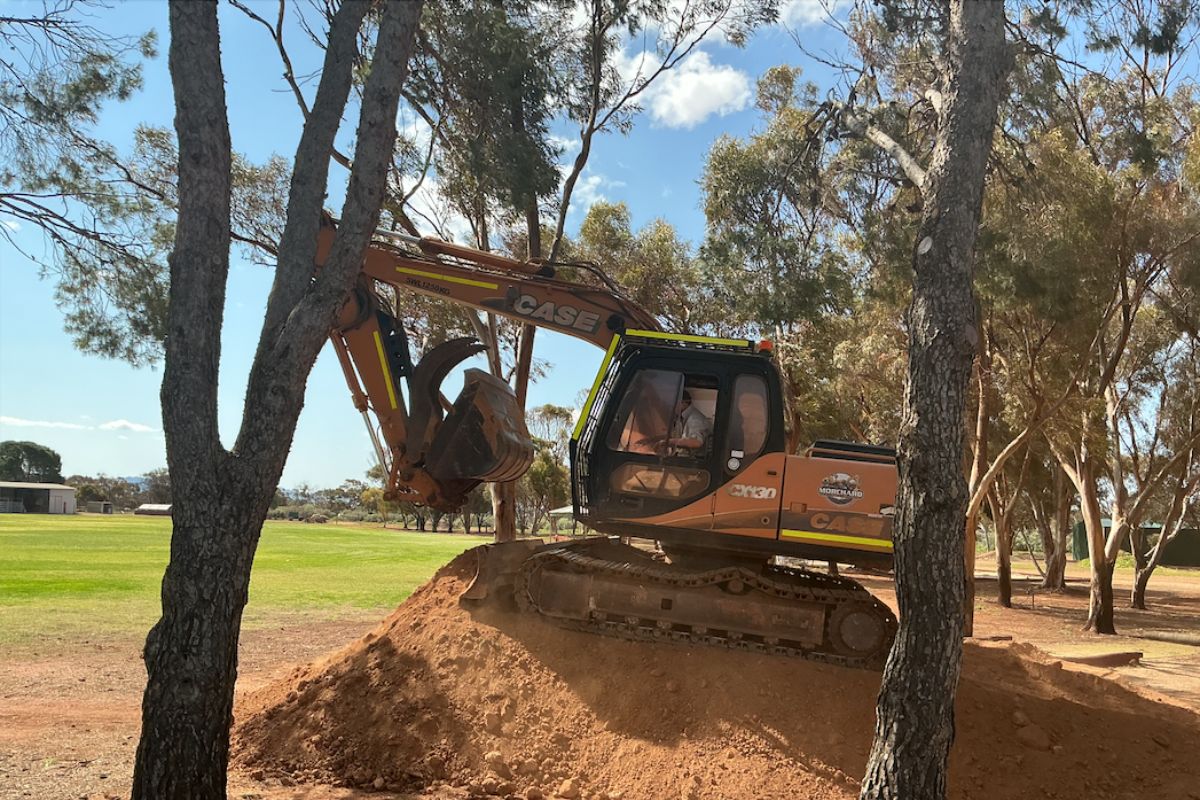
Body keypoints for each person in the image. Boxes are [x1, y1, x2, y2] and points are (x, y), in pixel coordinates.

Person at [662, 389, 711, 456]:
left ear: (683, 402)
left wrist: (667, 442)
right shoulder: (680, 416)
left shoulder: (695, 419)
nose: (670, 406)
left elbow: (696, 442)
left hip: (695, 461)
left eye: (673, 403)